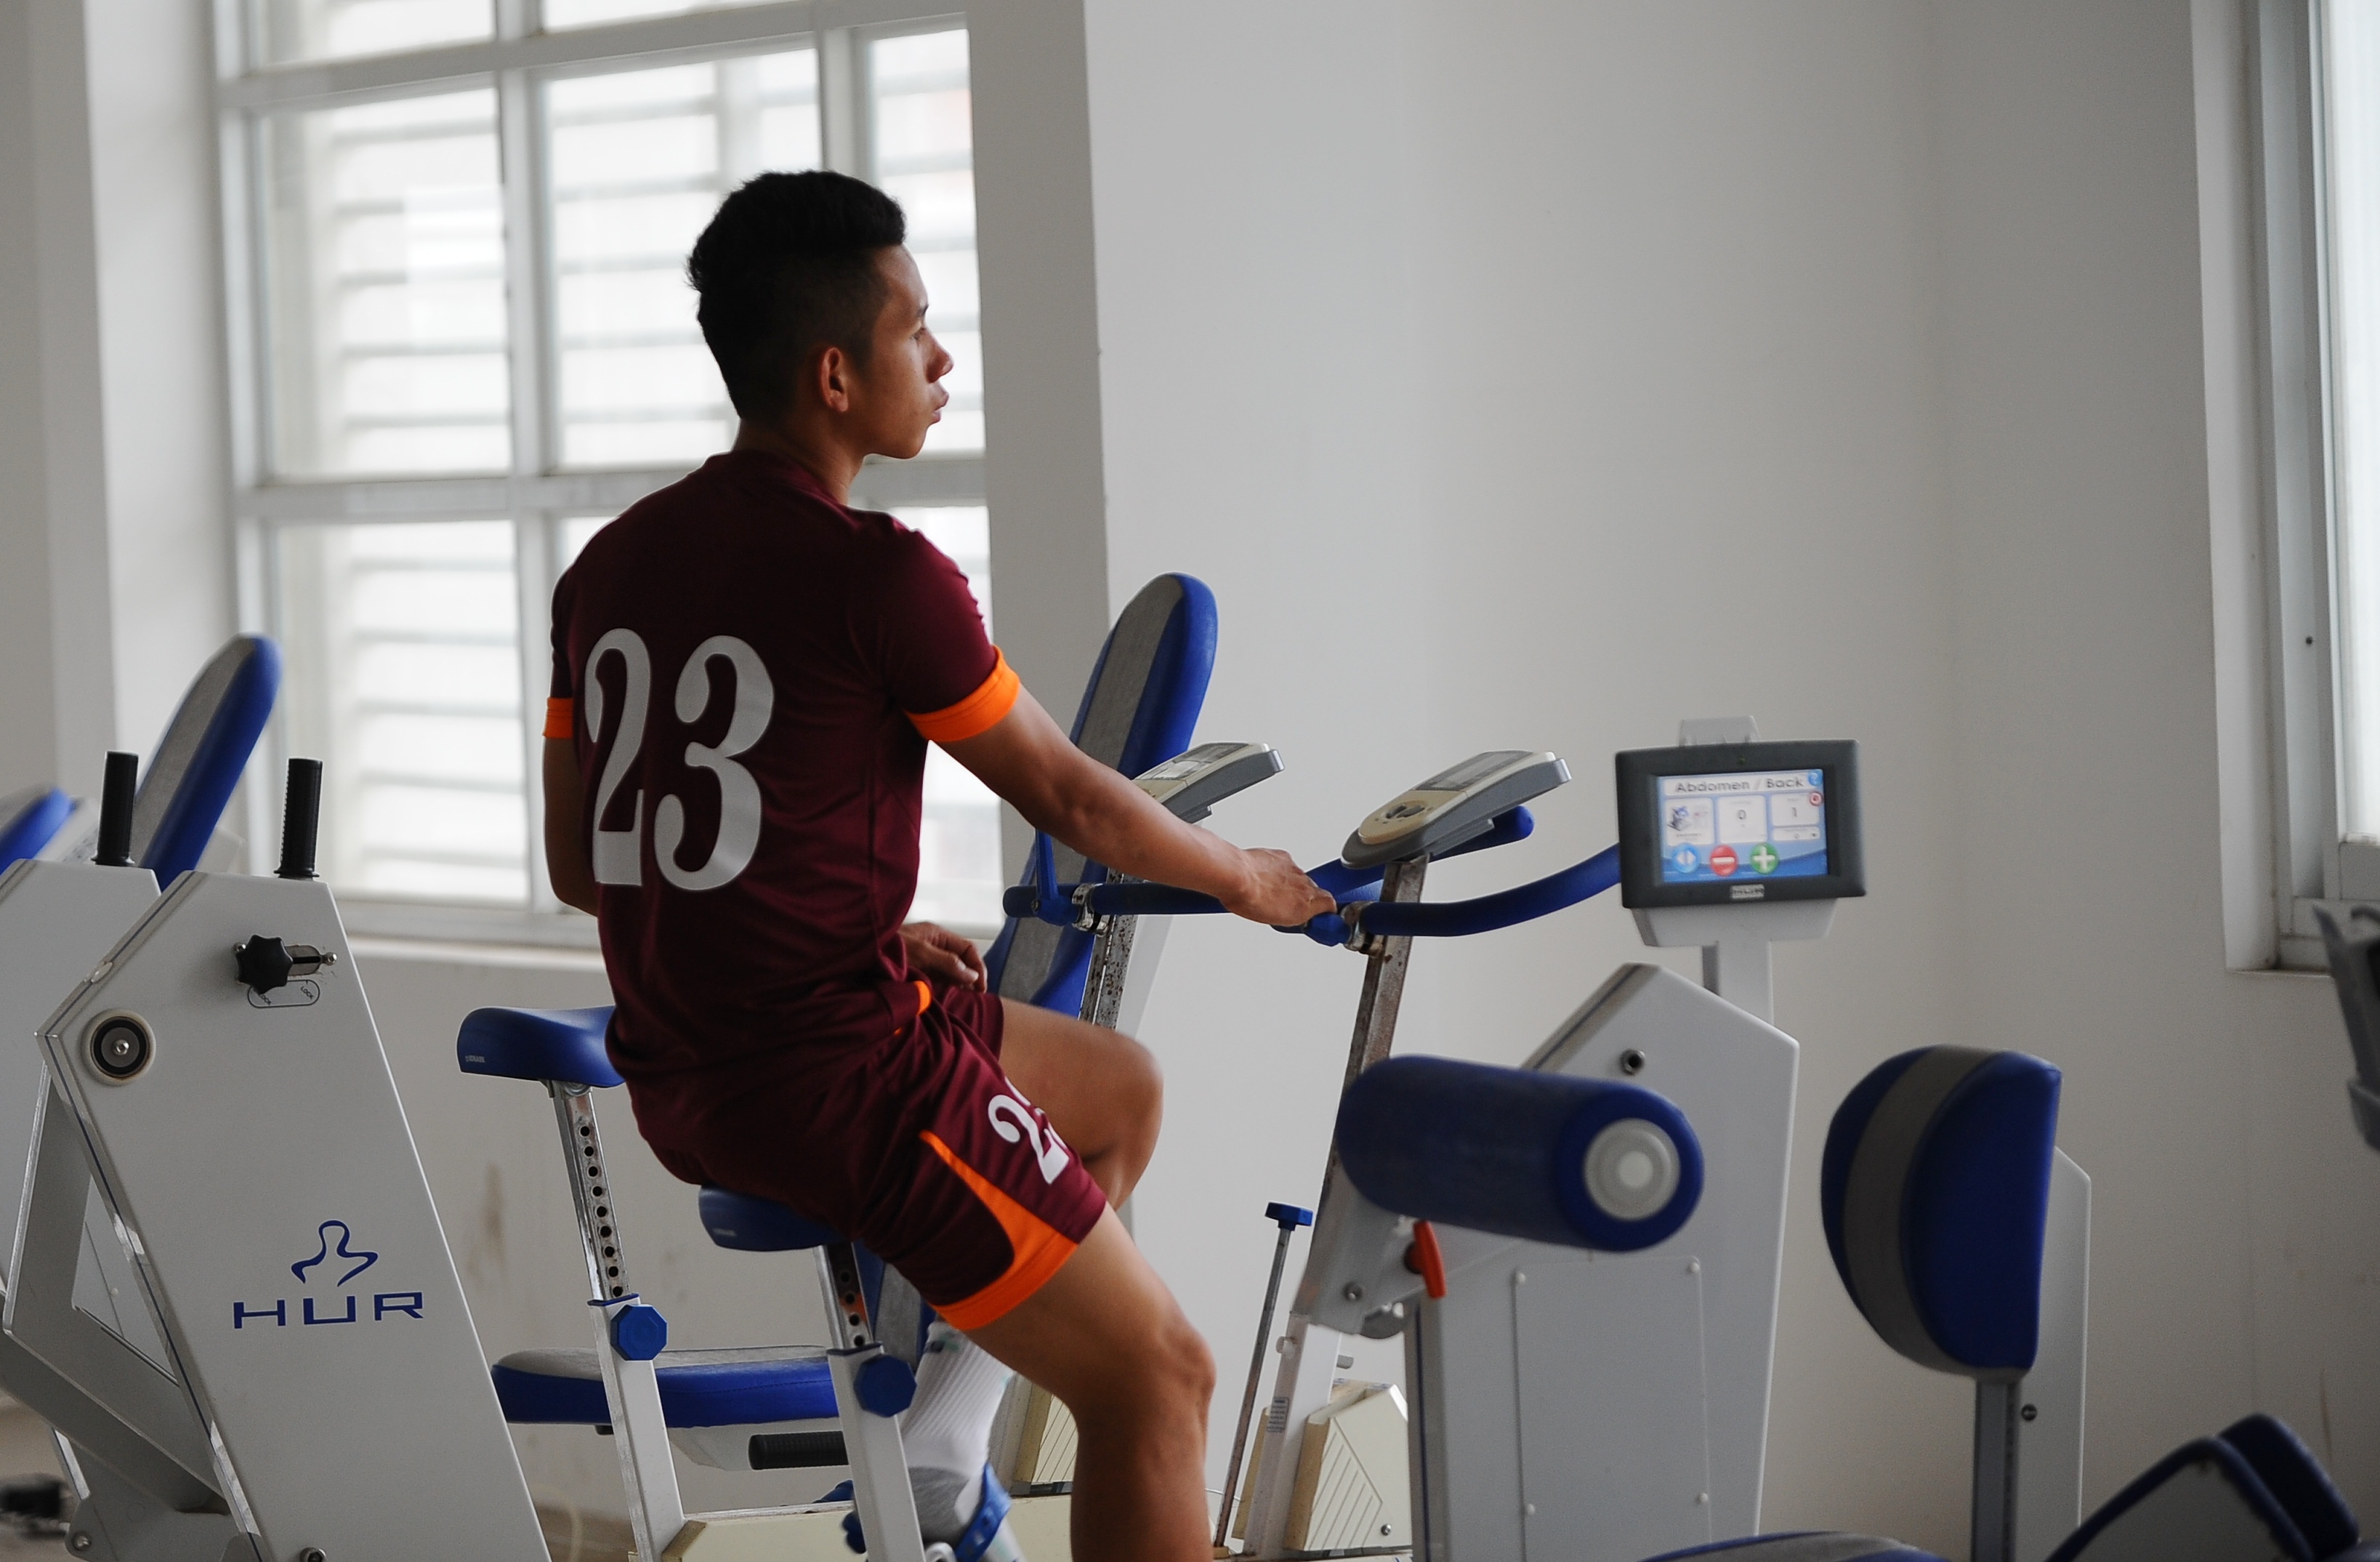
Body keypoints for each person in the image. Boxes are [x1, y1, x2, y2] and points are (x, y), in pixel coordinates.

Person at [541, 169, 1334, 1562]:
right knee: (1160, 1378)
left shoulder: (607, 568)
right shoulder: (880, 574)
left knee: (1120, 1088)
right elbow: (1072, 799)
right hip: (835, 1079)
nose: (943, 357)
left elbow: (584, 862)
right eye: (917, 328)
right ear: (836, 375)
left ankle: (940, 1444)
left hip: (690, 1069)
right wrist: (1247, 878)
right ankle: (953, 1448)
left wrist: (825, 914)